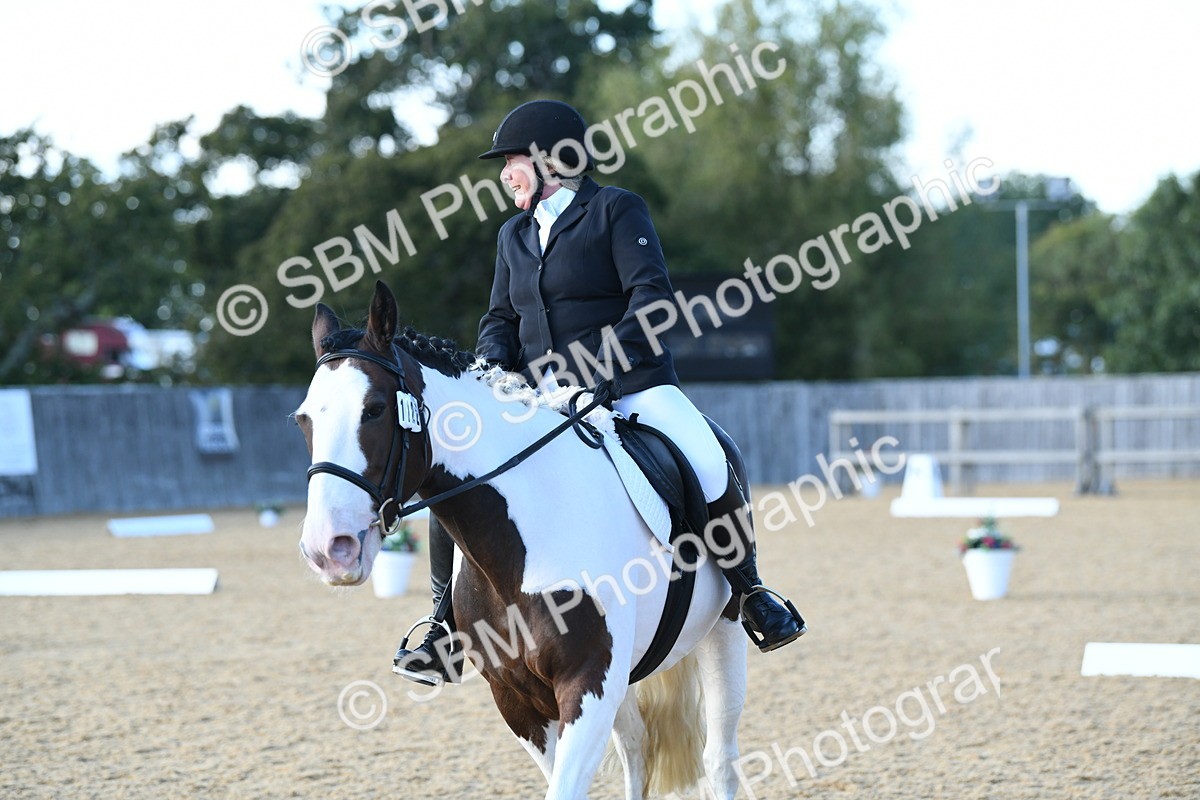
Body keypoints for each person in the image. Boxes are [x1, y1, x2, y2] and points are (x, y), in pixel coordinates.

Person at [394, 100, 805, 686]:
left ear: (549, 161)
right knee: (458, 472)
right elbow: (501, 317)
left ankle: (751, 591)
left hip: (631, 384)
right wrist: (491, 372)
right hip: (540, 398)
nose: (504, 175)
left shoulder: (615, 209)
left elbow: (651, 298)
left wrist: (599, 369)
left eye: (511, 161)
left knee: (709, 457)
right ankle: (443, 624)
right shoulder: (513, 234)